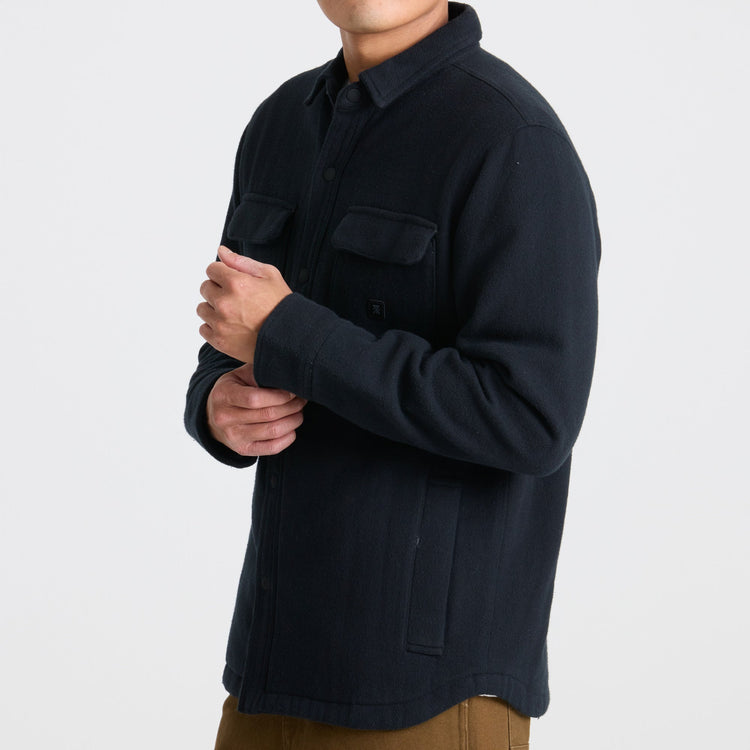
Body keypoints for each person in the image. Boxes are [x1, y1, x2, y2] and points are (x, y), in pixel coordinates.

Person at [185, 1, 601, 747]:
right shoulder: (280, 123)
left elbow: (532, 418)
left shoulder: (513, 138)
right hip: (268, 670)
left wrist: (290, 335)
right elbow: (235, 327)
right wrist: (216, 401)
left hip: (425, 697)